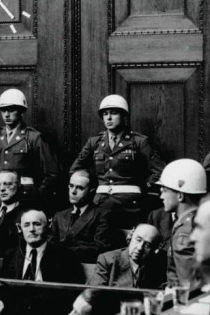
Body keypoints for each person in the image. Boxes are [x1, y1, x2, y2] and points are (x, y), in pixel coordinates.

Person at [70, 94, 164, 228]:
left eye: (113, 113)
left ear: (123, 116)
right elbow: (75, 169)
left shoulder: (138, 142)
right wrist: (91, 188)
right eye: (105, 114)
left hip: (130, 203)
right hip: (100, 203)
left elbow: (159, 172)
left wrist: (142, 187)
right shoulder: (95, 142)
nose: (108, 118)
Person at [0, 88, 61, 207]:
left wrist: (36, 194)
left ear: (21, 111)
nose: (6, 114)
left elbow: (52, 173)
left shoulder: (33, 138)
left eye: (11, 110)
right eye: (3, 110)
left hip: (24, 199)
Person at [157, 158, 207, 287]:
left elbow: (188, 284)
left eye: (165, 191)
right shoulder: (202, 220)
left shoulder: (184, 230)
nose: (161, 196)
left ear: (180, 195)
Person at [50, 170, 116, 264]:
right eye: (71, 186)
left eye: (80, 188)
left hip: (87, 267)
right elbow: (50, 243)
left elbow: (100, 248)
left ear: (91, 191)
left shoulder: (102, 215)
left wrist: (64, 249)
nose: (73, 192)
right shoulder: (59, 215)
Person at [7, 209, 84, 283]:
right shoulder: (11, 255)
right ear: (19, 228)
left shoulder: (65, 256)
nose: (32, 229)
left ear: (48, 226)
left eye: (37, 224)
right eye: (26, 225)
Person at [88, 223, 165, 288]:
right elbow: (95, 292)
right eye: (138, 240)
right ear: (130, 238)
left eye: (147, 245)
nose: (140, 248)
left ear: (154, 249)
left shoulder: (158, 265)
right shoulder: (107, 260)